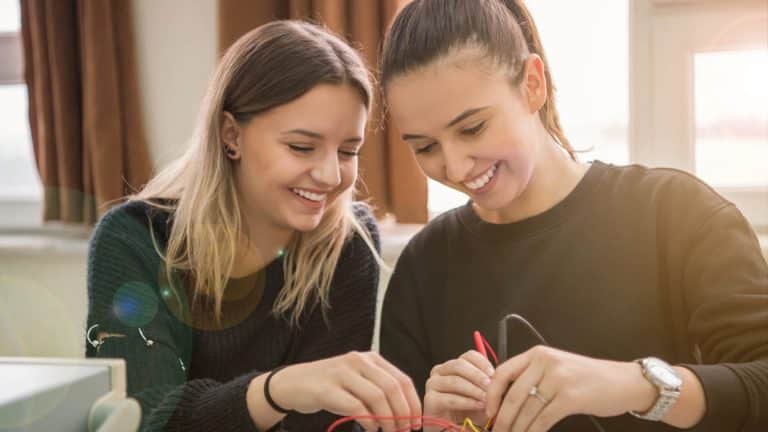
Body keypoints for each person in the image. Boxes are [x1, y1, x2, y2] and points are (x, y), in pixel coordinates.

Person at [378, 1, 768, 431]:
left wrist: (633, 384)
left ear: (532, 84)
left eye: (472, 129)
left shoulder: (677, 214)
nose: (454, 167)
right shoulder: (422, 267)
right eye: (425, 148)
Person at [85, 20, 421, 432]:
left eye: (349, 151)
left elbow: (321, 426)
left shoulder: (347, 243)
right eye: (301, 147)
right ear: (231, 136)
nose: (332, 175)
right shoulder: (132, 240)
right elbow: (143, 416)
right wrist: (276, 390)